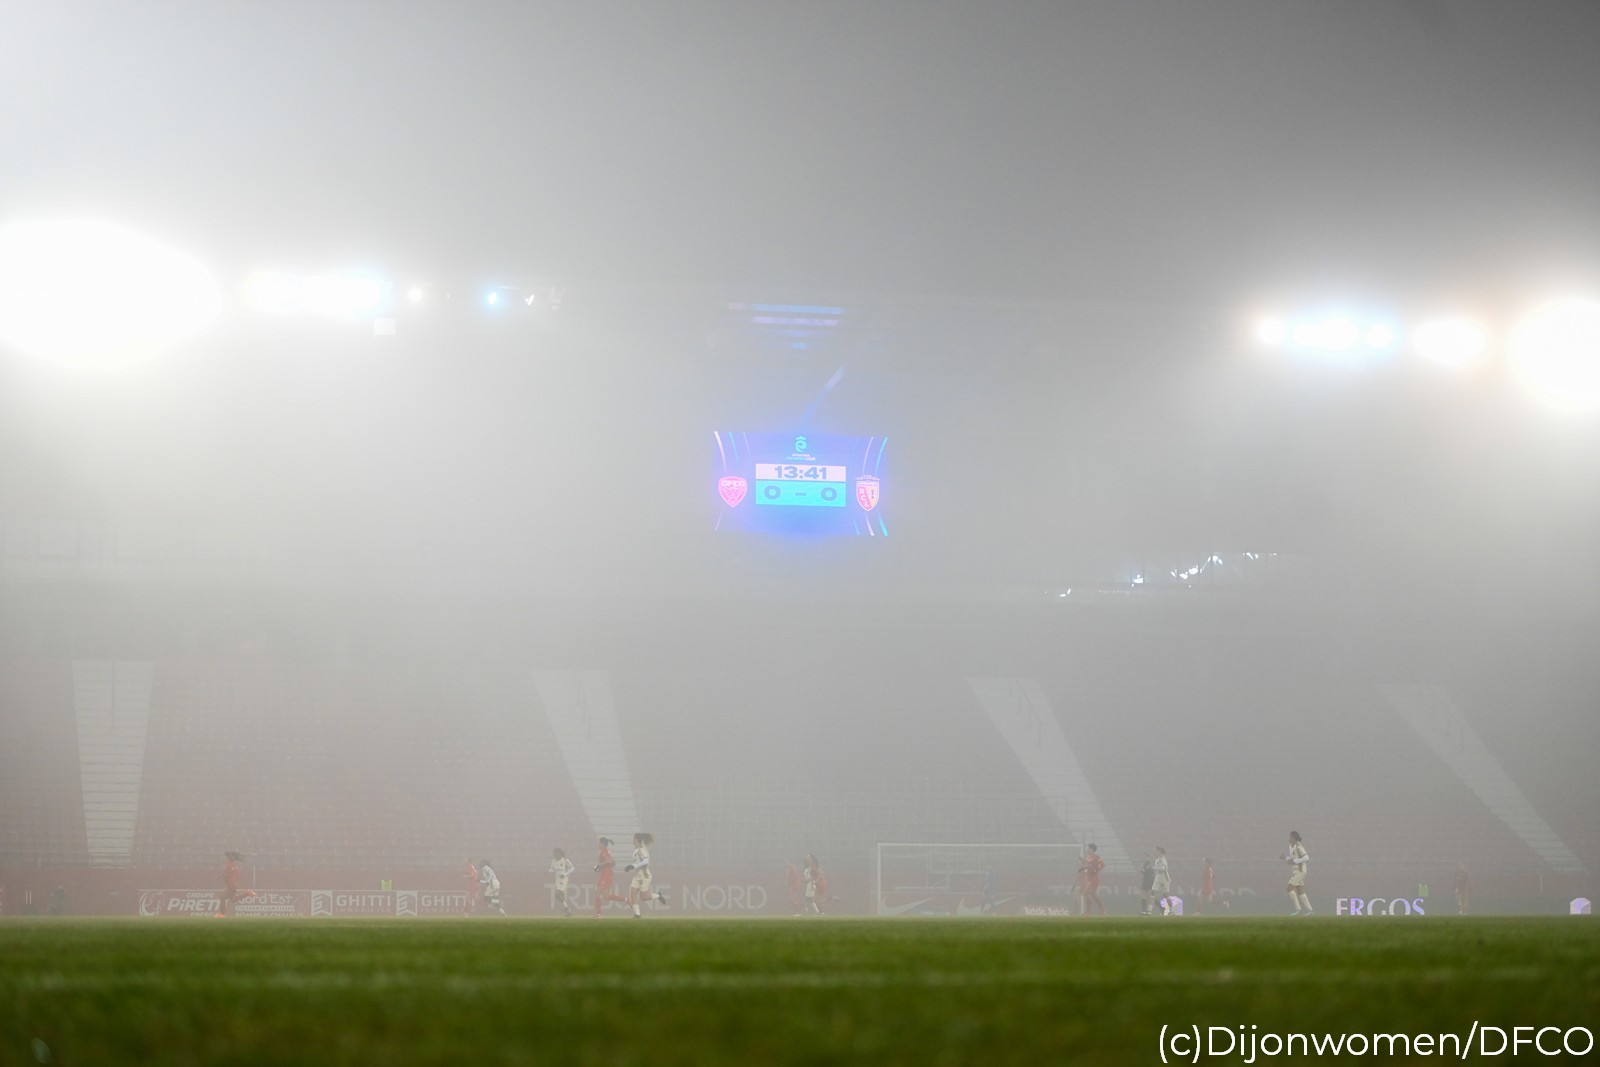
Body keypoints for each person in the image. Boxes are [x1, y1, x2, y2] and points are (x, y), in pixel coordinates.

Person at [623, 832, 669, 918]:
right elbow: (637, 862)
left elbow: (645, 861)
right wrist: (630, 867)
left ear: (636, 839)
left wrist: (634, 866)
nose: (632, 840)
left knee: (644, 897)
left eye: (633, 838)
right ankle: (637, 914)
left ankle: (658, 895)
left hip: (644, 875)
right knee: (633, 894)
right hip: (637, 875)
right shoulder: (637, 849)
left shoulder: (642, 849)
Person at [593, 837, 629, 917]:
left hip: (606, 874)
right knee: (605, 896)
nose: (598, 844)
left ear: (602, 843)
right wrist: (601, 868)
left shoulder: (604, 851)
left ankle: (598, 914)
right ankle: (626, 899)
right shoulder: (606, 851)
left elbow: (609, 861)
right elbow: (613, 863)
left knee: (598, 894)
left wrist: (598, 865)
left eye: (599, 843)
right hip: (605, 873)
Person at [1282, 831, 1312, 915]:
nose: (1288, 838)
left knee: (1289, 888)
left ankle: (1298, 910)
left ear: (1294, 838)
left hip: (1300, 870)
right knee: (1300, 891)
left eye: (1290, 837)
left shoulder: (1298, 846)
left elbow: (1306, 857)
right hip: (1296, 871)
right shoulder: (1291, 846)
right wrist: (1285, 858)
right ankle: (1310, 910)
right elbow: (1293, 859)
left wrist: (1295, 861)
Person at [219, 851, 256, 918]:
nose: (223, 858)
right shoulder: (230, 866)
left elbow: (231, 875)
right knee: (233, 899)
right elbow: (228, 875)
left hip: (232, 885)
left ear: (228, 859)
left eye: (224, 857)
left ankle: (222, 914)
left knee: (222, 898)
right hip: (232, 885)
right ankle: (247, 893)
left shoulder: (230, 866)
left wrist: (220, 878)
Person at [1078, 843, 1106, 916]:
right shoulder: (1088, 857)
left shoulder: (1096, 857)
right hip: (1089, 878)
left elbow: (1102, 865)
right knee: (1094, 895)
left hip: (1094, 878)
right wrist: (1082, 868)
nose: (1087, 849)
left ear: (1092, 849)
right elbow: (1088, 866)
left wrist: (1096, 870)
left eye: (1089, 848)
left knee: (1088, 893)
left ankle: (1088, 912)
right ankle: (1102, 910)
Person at [549, 848, 576, 917]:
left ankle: (566, 908)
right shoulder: (554, 860)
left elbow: (573, 868)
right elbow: (552, 869)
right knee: (561, 895)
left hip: (563, 879)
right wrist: (548, 871)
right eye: (553, 854)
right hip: (557, 879)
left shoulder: (565, 860)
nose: (554, 855)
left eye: (555, 854)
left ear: (559, 853)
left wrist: (565, 874)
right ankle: (567, 911)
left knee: (557, 893)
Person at [1151, 847, 1172, 914]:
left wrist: (1153, 868)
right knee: (1153, 893)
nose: (1154, 852)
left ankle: (1171, 911)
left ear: (1159, 851)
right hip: (1159, 877)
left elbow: (1163, 868)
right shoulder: (1158, 859)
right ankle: (1149, 910)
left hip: (1164, 877)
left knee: (1166, 895)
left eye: (1155, 851)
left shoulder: (1162, 859)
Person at [1139, 851, 1156, 916]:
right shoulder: (1145, 864)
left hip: (1150, 881)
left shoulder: (1151, 864)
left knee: (1150, 896)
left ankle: (1149, 910)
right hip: (1145, 881)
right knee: (1144, 896)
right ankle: (1144, 911)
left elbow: (1153, 873)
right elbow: (1142, 871)